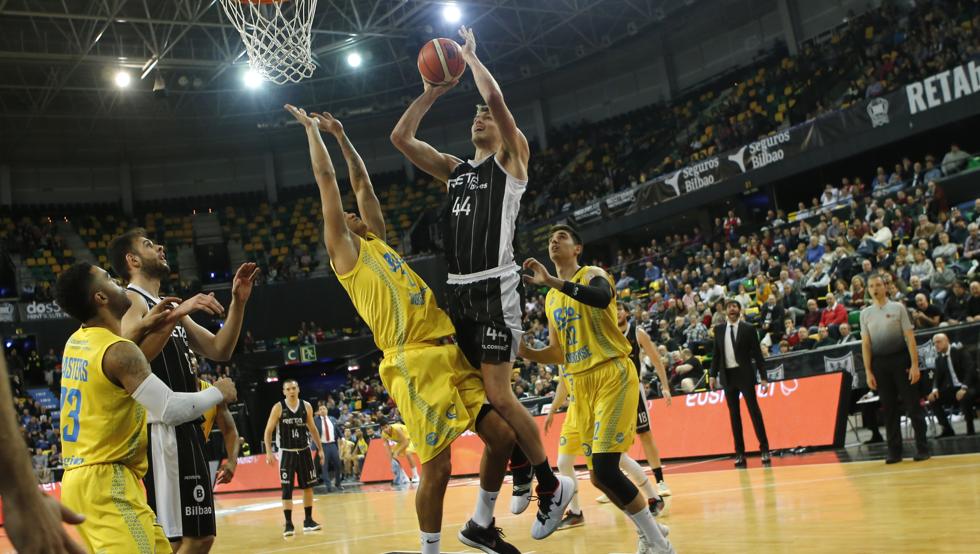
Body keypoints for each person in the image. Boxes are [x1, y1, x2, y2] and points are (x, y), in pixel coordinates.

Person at [286, 104, 523, 553]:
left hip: (447, 351)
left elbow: (362, 184)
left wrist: (342, 136)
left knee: (503, 435)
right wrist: (313, 133)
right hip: (410, 360)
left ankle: (480, 525)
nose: (356, 213)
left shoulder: (378, 241)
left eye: (359, 213)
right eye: (350, 215)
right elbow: (329, 183)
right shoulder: (346, 254)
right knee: (439, 469)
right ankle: (429, 551)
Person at [390, 26, 570, 531]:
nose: (479, 115)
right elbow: (401, 139)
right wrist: (429, 93)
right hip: (458, 294)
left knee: (498, 394)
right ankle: (504, 488)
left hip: (496, 288)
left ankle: (550, 486)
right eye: (474, 114)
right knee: (482, 404)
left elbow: (494, 96)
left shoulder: (512, 161)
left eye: (485, 115)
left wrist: (470, 59)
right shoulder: (457, 172)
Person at [53, 262, 236, 553]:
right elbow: (169, 408)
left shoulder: (77, 340)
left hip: (80, 479)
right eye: (109, 279)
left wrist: (165, 319)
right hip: (106, 481)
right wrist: (218, 392)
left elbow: (121, 354)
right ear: (100, 298)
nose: (118, 283)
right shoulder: (119, 352)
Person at [519, 224, 674, 554]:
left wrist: (551, 281)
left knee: (605, 467)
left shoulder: (591, 274)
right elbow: (559, 352)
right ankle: (653, 529)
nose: (554, 241)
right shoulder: (550, 300)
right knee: (600, 477)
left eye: (562, 237)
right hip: (580, 385)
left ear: (577, 248)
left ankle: (659, 544)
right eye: (550, 238)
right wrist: (528, 352)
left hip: (611, 373)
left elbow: (602, 297)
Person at [110, 228, 257, 551]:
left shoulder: (166, 304)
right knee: (177, 539)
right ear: (132, 259)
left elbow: (219, 348)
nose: (160, 246)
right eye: (149, 244)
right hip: (161, 428)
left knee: (201, 538)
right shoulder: (132, 299)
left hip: (186, 427)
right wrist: (176, 313)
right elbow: (124, 341)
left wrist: (238, 302)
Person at [860, 275, 929, 464]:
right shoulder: (865, 314)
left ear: (886, 287)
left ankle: (922, 448)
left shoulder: (898, 308)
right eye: (871, 285)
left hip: (901, 360)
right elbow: (866, 344)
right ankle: (894, 452)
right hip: (880, 365)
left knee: (913, 405)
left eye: (878, 285)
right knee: (888, 408)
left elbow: (910, 338)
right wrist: (868, 371)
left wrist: (915, 365)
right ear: (868, 289)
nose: (875, 288)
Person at [709, 300, 771, 468]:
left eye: (735, 306)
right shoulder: (719, 330)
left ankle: (764, 449)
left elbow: (758, 355)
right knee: (734, 417)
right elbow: (716, 355)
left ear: (739, 310)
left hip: (745, 375)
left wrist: (764, 377)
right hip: (727, 377)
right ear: (726, 312)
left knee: (754, 412)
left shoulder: (749, 329)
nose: (732, 309)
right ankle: (740, 453)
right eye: (729, 307)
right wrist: (712, 375)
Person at [263, 379, 322, 537]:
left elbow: (313, 429)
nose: (291, 391)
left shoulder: (306, 406)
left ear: (298, 389)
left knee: (308, 487)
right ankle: (288, 524)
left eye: (294, 388)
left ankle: (308, 520)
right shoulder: (278, 407)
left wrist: (320, 449)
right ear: (284, 391)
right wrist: (269, 451)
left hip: (304, 451)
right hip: (286, 452)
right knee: (287, 489)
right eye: (288, 389)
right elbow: (268, 431)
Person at [929, 334, 977, 437]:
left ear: (947, 341)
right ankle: (947, 429)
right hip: (953, 389)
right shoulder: (939, 359)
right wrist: (934, 390)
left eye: (938, 342)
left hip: (969, 386)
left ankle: (970, 429)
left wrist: (964, 388)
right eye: (934, 343)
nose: (936, 345)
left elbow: (970, 370)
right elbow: (936, 377)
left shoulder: (960, 351)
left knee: (965, 396)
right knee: (933, 399)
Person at [313, 403, 343, 491]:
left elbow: (337, 429)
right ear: (318, 411)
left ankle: (338, 483)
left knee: (338, 465)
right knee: (324, 466)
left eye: (324, 409)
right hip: (323, 446)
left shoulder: (332, 419)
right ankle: (328, 486)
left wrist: (342, 437)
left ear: (327, 410)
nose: (322, 410)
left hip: (333, 445)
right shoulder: (315, 420)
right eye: (321, 409)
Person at [380, 420, 421, 484]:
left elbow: (406, 442)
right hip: (402, 441)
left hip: (412, 438)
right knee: (393, 456)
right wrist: (392, 460)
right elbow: (388, 449)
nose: (385, 430)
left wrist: (397, 452)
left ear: (389, 425)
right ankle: (404, 478)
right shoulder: (383, 434)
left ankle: (416, 476)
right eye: (383, 428)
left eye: (386, 427)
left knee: (408, 452)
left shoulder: (397, 428)